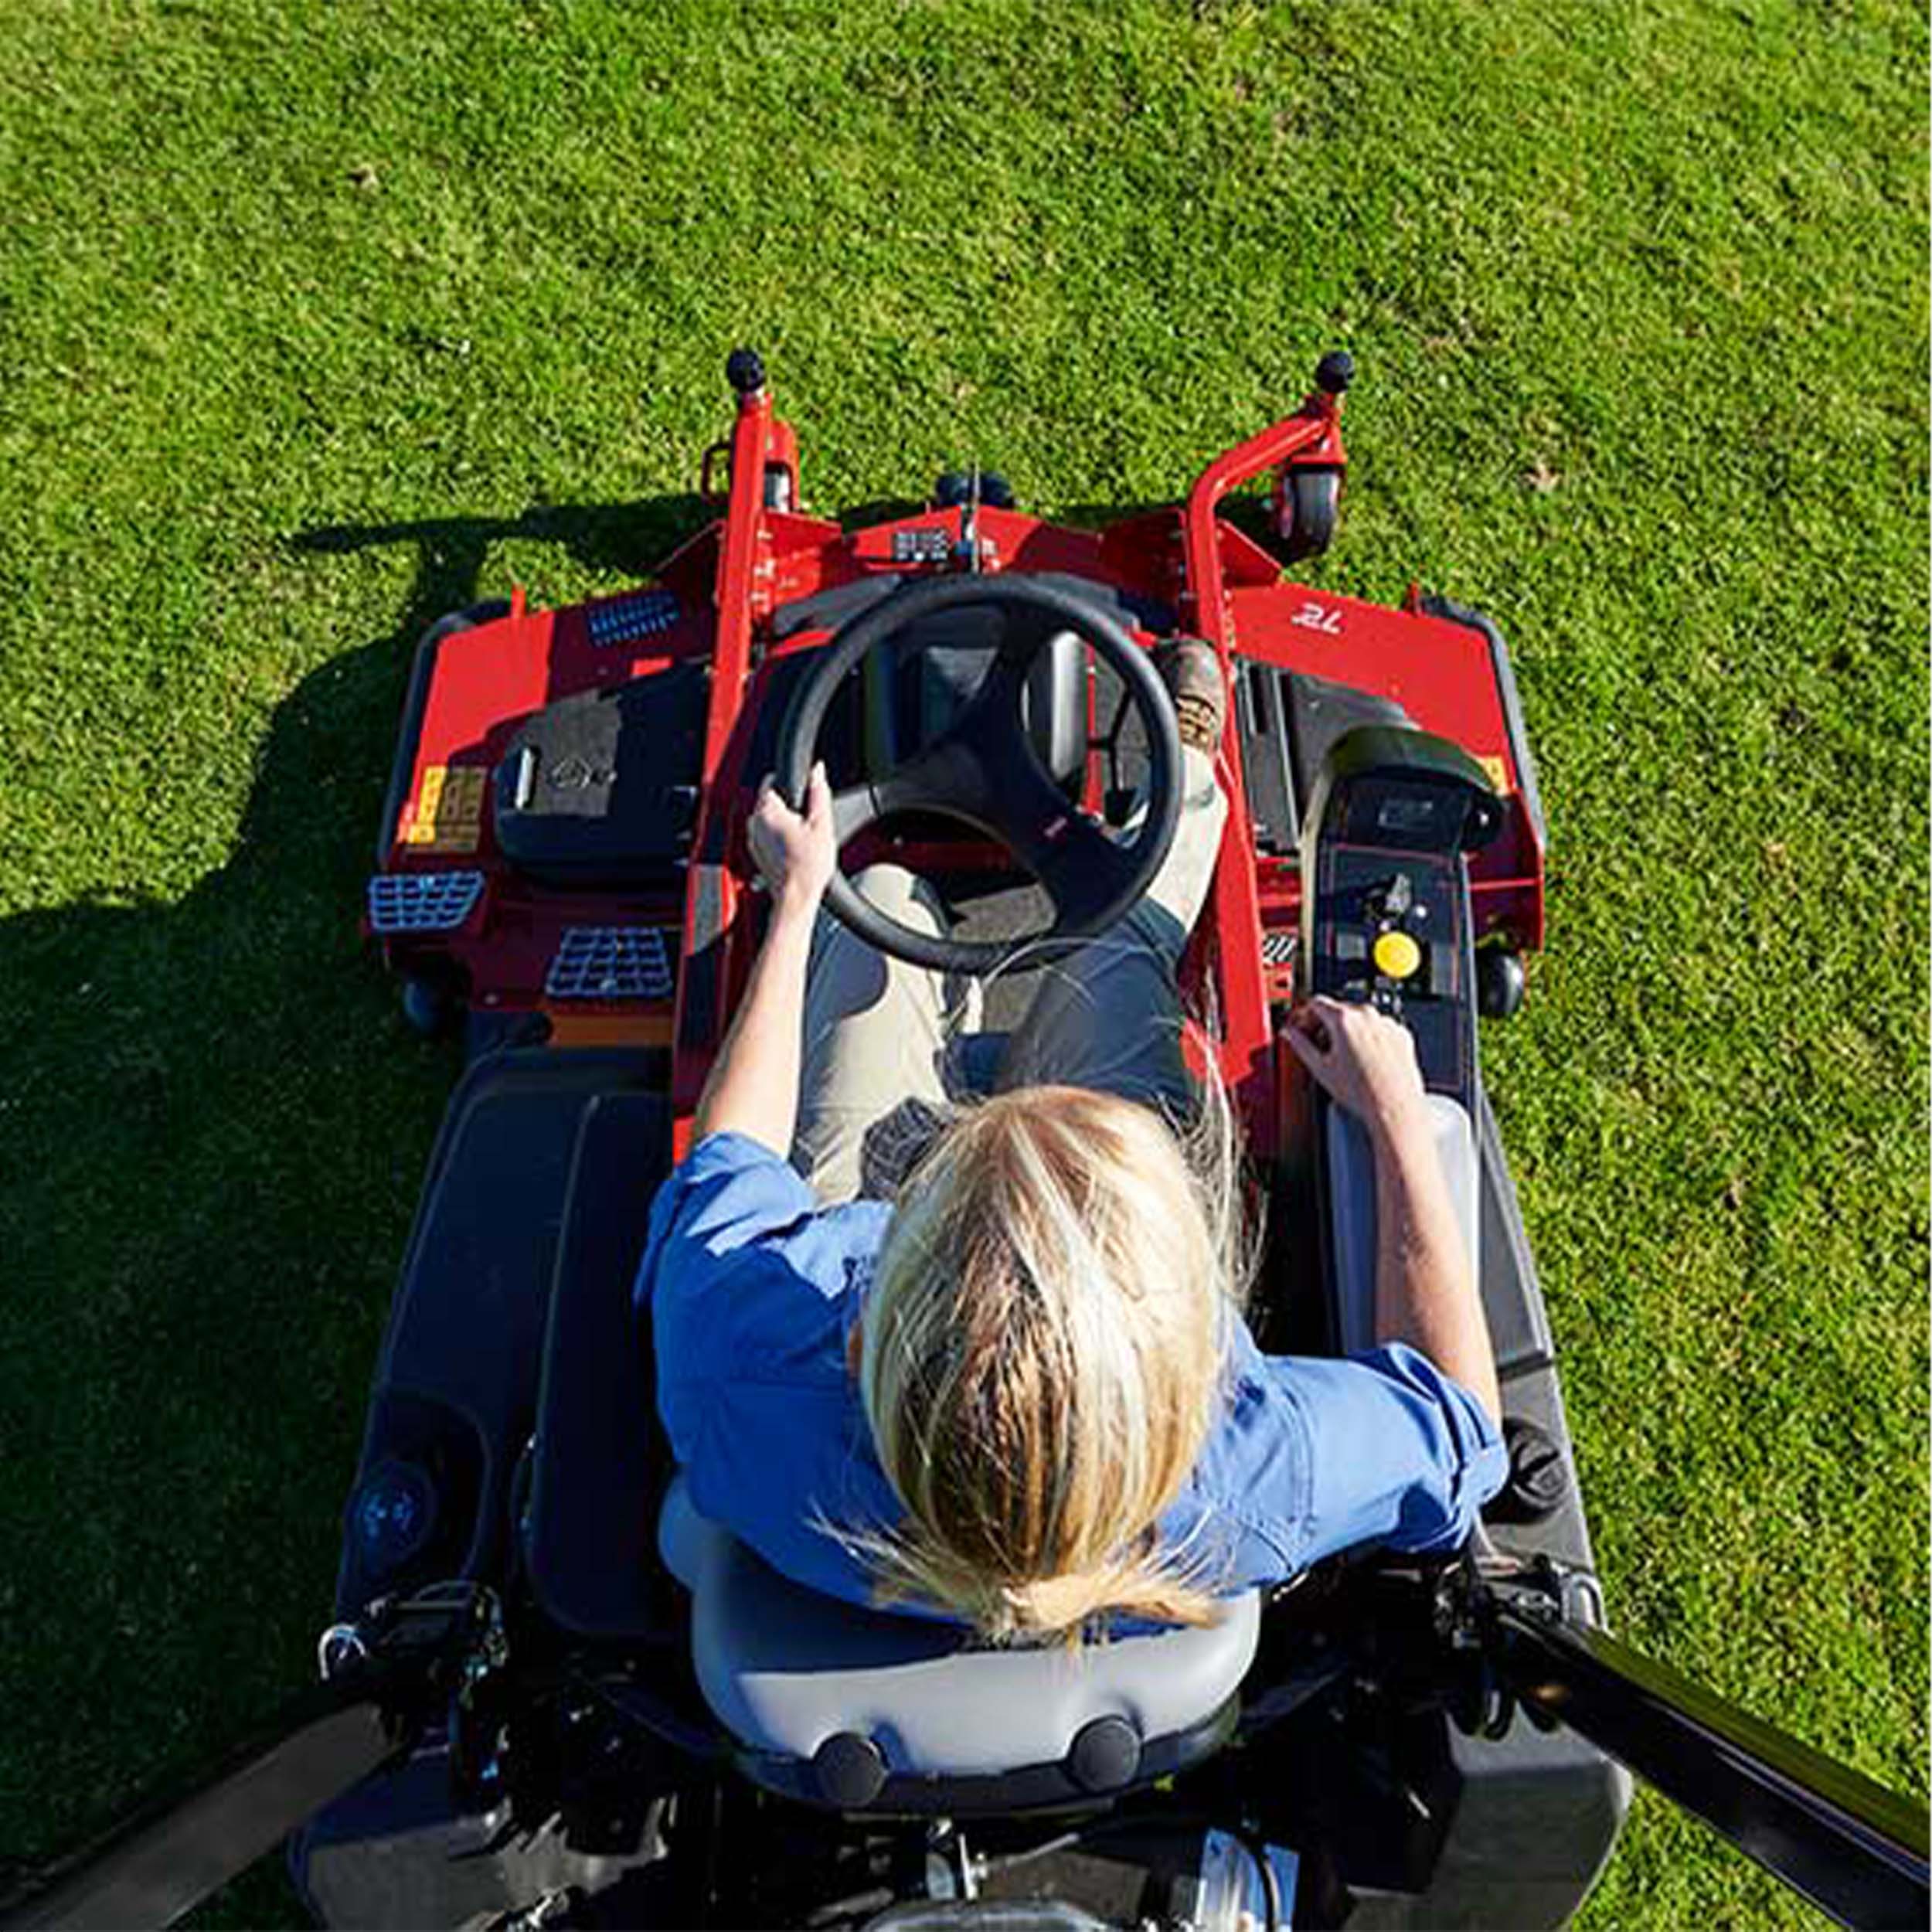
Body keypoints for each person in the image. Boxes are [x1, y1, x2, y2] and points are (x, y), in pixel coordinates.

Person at [640, 643, 1506, 1640]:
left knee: (877, 906)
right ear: (1166, 1352)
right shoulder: (1255, 1470)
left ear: (880, 1318)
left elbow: (729, 1160)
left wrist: (798, 905)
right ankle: (1179, 794)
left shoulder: (739, 1362)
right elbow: (1460, 1424)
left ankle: (887, 905)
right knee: (1122, 941)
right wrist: (1396, 1113)